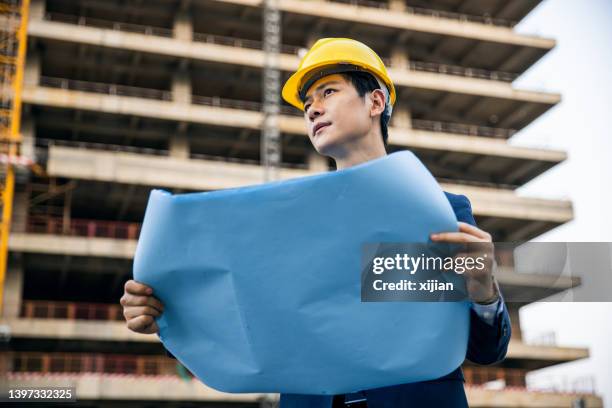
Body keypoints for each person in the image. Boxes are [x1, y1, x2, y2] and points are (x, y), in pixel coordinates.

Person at [121, 38, 511, 408]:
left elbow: (485, 350)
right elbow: (251, 325)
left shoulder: (439, 212)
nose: (312, 108)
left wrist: (484, 294)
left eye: (328, 92)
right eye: (307, 102)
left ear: (375, 101)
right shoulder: (285, 225)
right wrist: (167, 317)